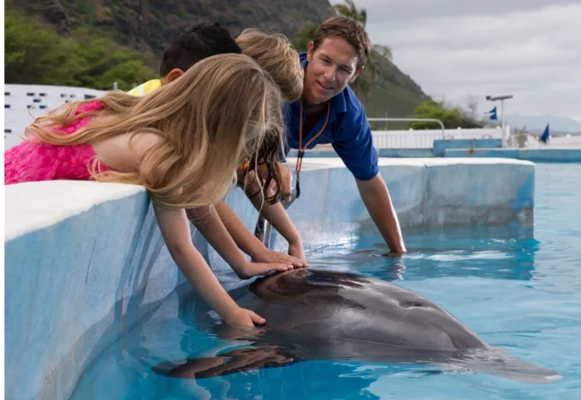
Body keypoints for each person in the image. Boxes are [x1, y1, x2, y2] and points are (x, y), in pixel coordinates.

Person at [4, 54, 287, 327]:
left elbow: (198, 203)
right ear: (222, 131)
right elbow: (181, 247)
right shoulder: (162, 152)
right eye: (241, 142)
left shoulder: (149, 120)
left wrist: (242, 265)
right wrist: (233, 312)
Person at [129, 24, 309, 272]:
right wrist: (253, 255)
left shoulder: (203, 116)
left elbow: (248, 174)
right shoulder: (177, 118)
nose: (265, 110)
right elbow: (200, 197)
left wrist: (293, 239)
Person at [278, 16, 407, 255]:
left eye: (343, 69)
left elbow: (370, 182)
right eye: (325, 61)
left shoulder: (351, 116)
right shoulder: (277, 80)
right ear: (310, 50)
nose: (330, 76)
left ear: (356, 73)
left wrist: (398, 254)